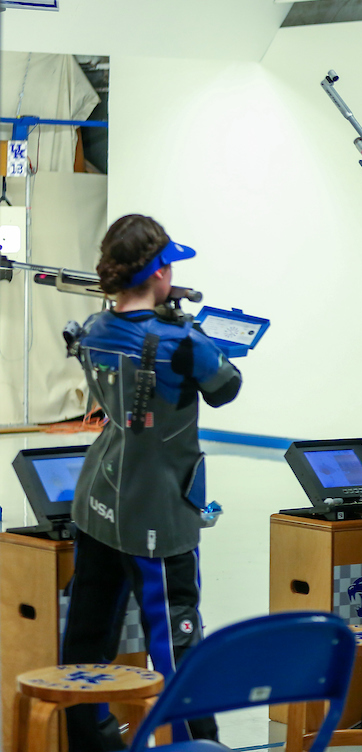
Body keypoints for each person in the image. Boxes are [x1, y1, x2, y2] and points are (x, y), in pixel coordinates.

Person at [62, 214, 243, 751]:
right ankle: (198, 746)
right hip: (157, 511)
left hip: (99, 498)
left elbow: (131, 329)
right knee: (176, 637)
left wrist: (167, 314)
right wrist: (192, 329)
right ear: (161, 273)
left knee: (87, 637)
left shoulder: (96, 330)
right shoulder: (183, 343)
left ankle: (89, 740)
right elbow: (226, 385)